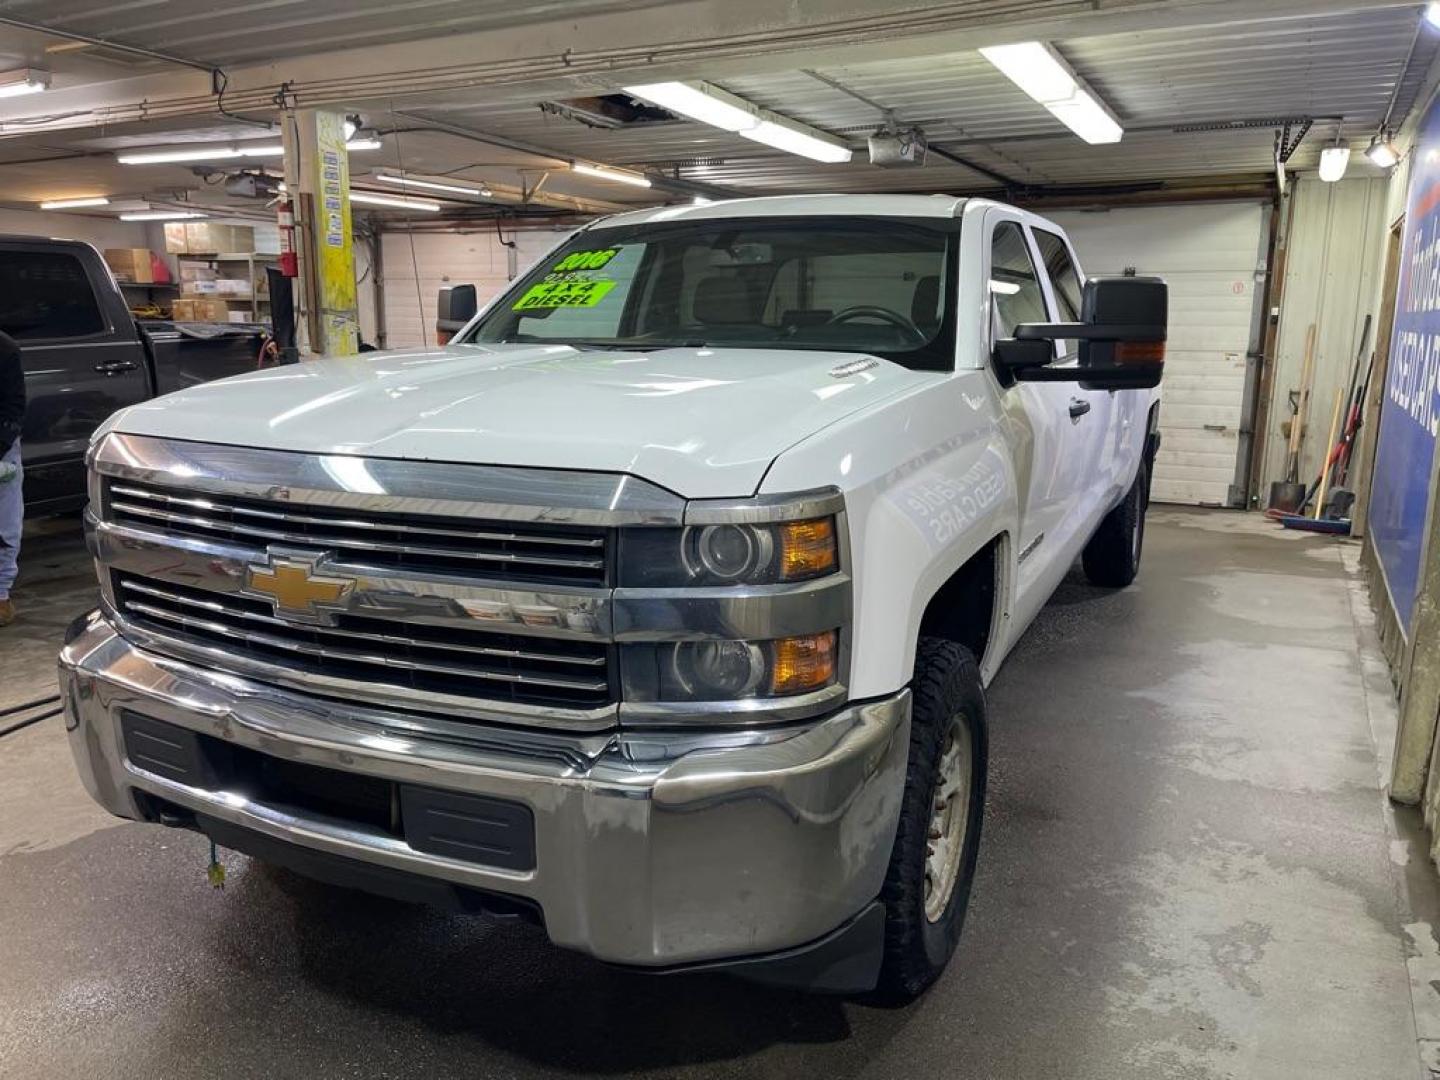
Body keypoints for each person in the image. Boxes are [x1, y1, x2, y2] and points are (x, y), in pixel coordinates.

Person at [0, 330, 24, 627]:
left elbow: (13, 407)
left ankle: (1, 595)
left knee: (4, 524)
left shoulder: (4, 348)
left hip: (2, 446)